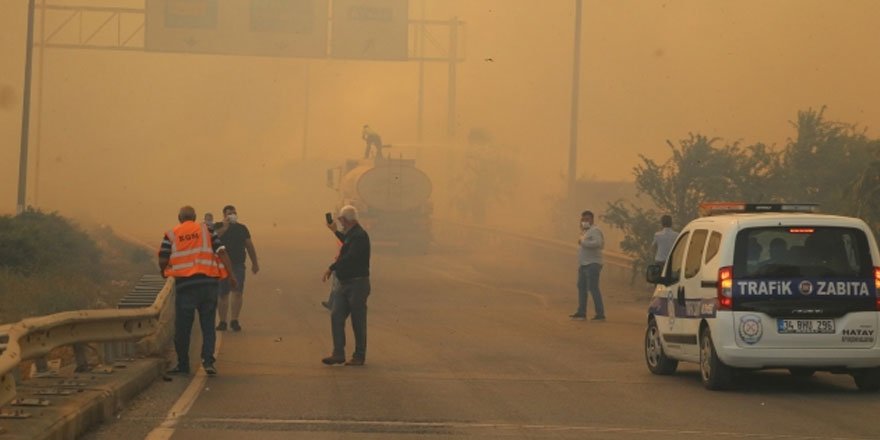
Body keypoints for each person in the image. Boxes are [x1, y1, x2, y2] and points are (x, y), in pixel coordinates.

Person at [159, 206, 237, 376]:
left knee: (183, 328)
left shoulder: (171, 234)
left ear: (179, 218)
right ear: (194, 217)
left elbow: (163, 257)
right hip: (208, 284)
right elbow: (222, 252)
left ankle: (183, 365)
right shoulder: (207, 230)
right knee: (208, 325)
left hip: (185, 287)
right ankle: (208, 361)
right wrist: (231, 275)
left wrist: (163, 271)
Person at [322, 205, 371, 366]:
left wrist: (332, 267)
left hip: (357, 284)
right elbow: (347, 242)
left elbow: (350, 256)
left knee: (358, 321)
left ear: (346, 220)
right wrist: (335, 231)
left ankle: (359, 356)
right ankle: (338, 353)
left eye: (341, 220)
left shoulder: (360, 236)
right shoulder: (353, 234)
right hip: (345, 283)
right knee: (336, 315)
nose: (340, 223)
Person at [215, 205, 260, 332]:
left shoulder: (242, 228)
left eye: (234, 213)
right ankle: (222, 321)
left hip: (238, 265)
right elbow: (212, 239)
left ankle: (234, 320)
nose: (232, 215)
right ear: (224, 215)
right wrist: (225, 227)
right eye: (229, 213)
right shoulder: (218, 226)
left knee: (237, 292)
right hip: (221, 266)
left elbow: (249, 245)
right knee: (222, 294)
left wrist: (255, 263)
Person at [570, 210, 606, 321]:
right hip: (584, 264)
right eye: (583, 219)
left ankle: (600, 314)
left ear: (592, 220)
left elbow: (598, 243)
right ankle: (581, 312)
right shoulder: (585, 232)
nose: (585, 221)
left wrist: (583, 243)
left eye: (587, 219)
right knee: (581, 287)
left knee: (593, 288)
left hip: (593, 264)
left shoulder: (595, 230)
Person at [321, 220, 345, 311]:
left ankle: (332, 303)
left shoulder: (346, 238)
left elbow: (343, 251)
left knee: (337, 284)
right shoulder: (353, 236)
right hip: (341, 262)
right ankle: (332, 303)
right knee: (337, 284)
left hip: (341, 263)